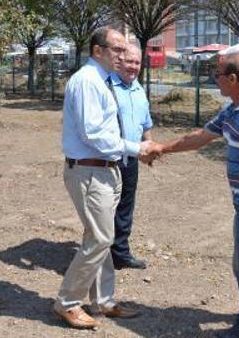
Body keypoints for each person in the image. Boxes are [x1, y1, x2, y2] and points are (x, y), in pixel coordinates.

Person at [149, 53, 239, 338]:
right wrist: (161, 148)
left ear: (232, 79)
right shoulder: (233, 110)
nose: (215, 78)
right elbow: (200, 137)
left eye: (218, 74)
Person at [54, 26, 157, 330]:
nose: (123, 56)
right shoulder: (87, 81)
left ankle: (103, 300)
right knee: (100, 238)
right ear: (97, 51)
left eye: (125, 50)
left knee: (101, 236)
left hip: (106, 169)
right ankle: (67, 303)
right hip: (89, 170)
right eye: (117, 49)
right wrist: (136, 148)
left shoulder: (100, 80)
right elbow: (94, 134)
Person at [109, 43, 153, 270]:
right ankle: (101, 254)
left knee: (126, 207)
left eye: (137, 62)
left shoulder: (138, 89)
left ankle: (120, 253)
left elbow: (145, 123)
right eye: (130, 62)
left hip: (132, 158)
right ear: (119, 62)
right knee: (106, 208)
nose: (134, 67)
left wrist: (149, 148)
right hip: (110, 159)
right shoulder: (108, 87)